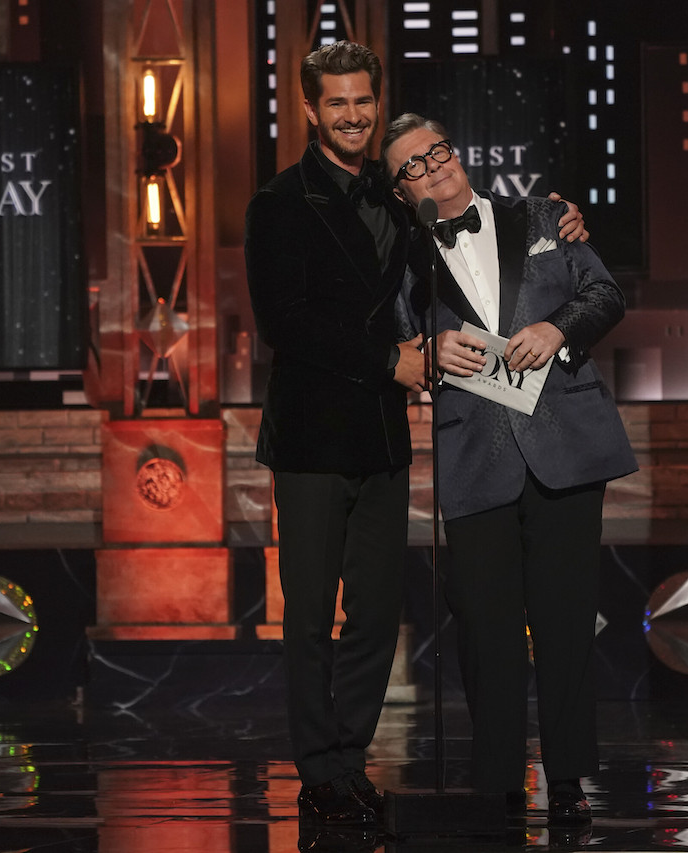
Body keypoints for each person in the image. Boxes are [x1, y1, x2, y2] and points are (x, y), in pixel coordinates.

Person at [244, 42, 589, 827]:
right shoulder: (277, 203)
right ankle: (319, 768)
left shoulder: (401, 200)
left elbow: (477, 240)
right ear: (309, 109)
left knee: (374, 614)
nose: (354, 114)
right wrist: (391, 361)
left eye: (363, 100)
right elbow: (283, 324)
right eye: (337, 103)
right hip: (308, 440)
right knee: (308, 615)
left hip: (383, 439)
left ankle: (351, 757)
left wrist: (561, 219)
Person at [383, 112, 638, 826]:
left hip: (565, 446)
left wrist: (559, 329)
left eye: (437, 150)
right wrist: (427, 351)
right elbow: (395, 340)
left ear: (456, 153)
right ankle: (495, 779)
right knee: (485, 628)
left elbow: (606, 294)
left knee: (564, 626)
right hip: (475, 456)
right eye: (412, 165)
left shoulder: (544, 215)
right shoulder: (404, 255)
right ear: (403, 191)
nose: (432, 166)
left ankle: (567, 780)